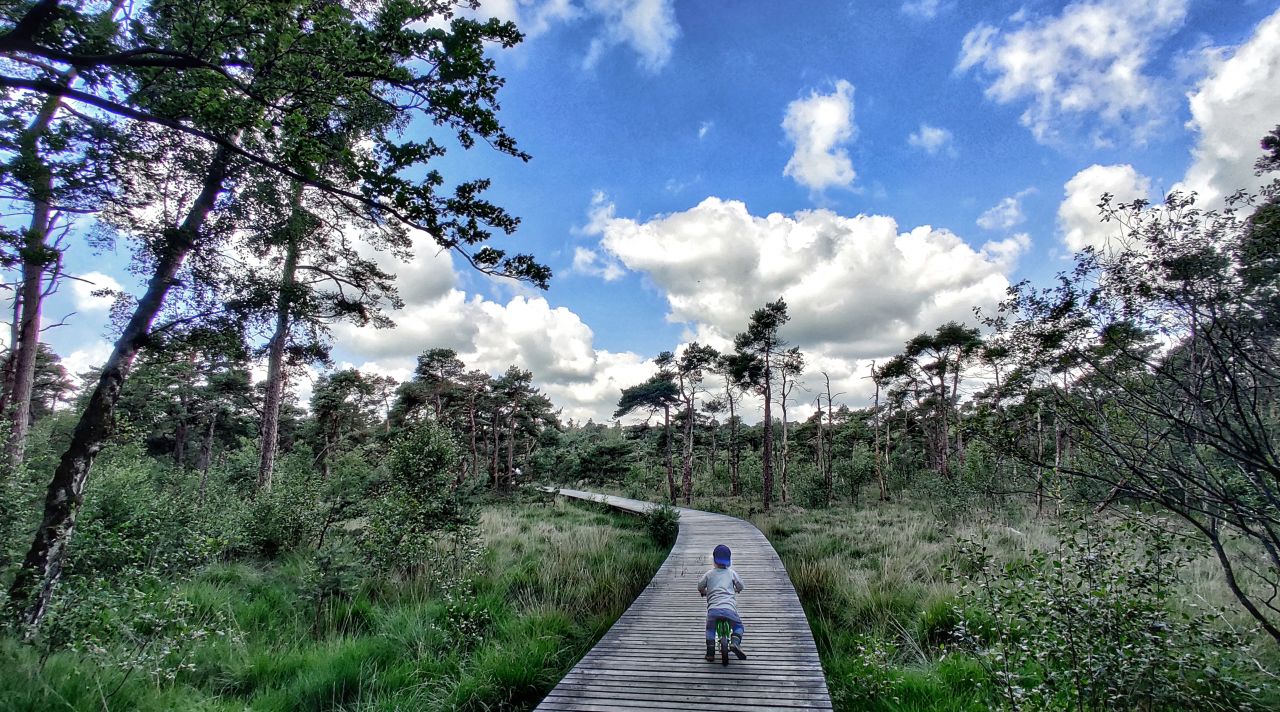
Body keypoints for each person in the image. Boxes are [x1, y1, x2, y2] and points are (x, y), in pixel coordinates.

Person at [697, 543, 746, 661]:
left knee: (710, 630)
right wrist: (736, 589)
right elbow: (741, 586)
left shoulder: (709, 574)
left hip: (713, 611)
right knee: (739, 626)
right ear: (729, 560)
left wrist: (703, 591)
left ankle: (710, 653)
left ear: (714, 560)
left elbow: (700, 585)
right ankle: (735, 642)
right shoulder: (732, 573)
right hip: (730, 610)